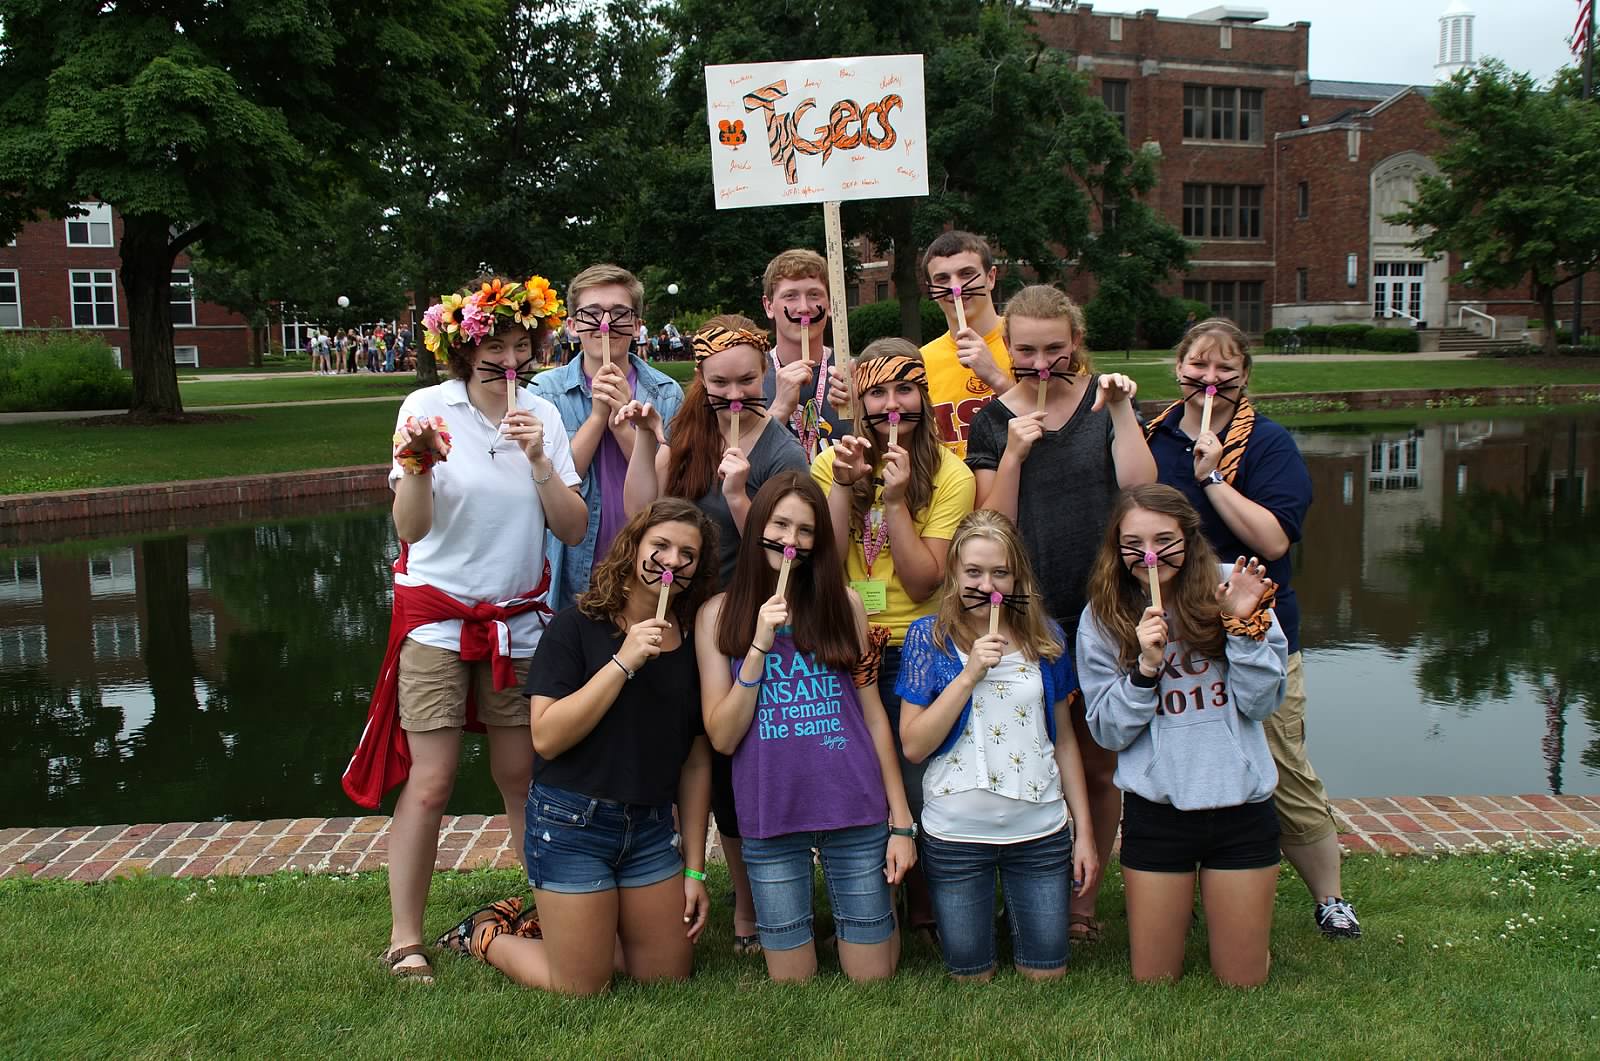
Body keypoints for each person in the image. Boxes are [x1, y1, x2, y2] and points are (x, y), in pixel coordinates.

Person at [347, 274, 588, 984]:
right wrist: (419, 465)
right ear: (463, 353)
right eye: (493, 356)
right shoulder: (427, 407)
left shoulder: (542, 412)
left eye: (522, 350)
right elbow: (411, 529)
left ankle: (549, 911)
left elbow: (572, 527)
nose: (509, 368)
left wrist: (541, 459)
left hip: (516, 623)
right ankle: (405, 937)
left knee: (522, 775)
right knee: (433, 780)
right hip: (437, 620)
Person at [436, 499, 718, 994]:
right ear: (633, 549)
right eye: (661, 546)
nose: (672, 561)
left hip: (650, 831)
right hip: (572, 825)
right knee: (582, 985)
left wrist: (694, 868)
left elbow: (695, 764)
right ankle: (482, 933)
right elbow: (545, 735)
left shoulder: (692, 641)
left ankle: (578, 926)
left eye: (687, 554)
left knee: (667, 975)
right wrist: (624, 662)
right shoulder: (576, 626)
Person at [1142, 318, 1360, 940]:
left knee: (1284, 764)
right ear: (1177, 368)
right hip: (1176, 639)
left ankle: (1329, 897)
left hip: (1256, 633)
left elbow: (1273, 538)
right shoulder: (1152, 440)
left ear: (1244, 377)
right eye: (1197, 368)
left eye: (1225, 371)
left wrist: (1212, 478)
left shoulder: (1267, 444)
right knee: (1173, 763)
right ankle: (1178, 889)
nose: (1210, 381)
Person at [964, 283, 1155, 945]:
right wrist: (1015, 450)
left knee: (1100, 764)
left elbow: (1140, 488)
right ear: (1006, 347)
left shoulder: (1104, 398)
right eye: (1025, 350)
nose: (1040, 363)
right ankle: (1022, 886)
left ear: (1074, 341)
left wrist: (1125, 412)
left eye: (1053, 348)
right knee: (1029, 753)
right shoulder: (990, 419)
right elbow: (992, 524)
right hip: (1026, 615)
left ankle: (1083, 900)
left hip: (1105, 609)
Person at [616, 314, 808, 953]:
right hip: (685, 616)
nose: (734, 396)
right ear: (700, 379)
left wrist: (739, 494)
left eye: (747, 382)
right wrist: (646, 442)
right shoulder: (686, 435)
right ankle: (697, 886)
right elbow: (642, 515)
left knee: (746, 760)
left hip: (751, 615)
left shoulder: (782, 448)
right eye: (720, 383)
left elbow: (788, 546)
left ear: (767, 374)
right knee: (700, 756)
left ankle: (755, 904)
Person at [697, 472, 917, 981]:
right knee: (792, 981)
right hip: (771, 809)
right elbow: (723, 737)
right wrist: (757, 647)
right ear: (757, 527)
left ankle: (872, 921)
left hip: (852, 803)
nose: (790, 541)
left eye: (805, 530)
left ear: (818, 541)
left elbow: (873, 716)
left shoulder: (847, 605)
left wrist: (900, 822)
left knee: (872, 976)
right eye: (780, 525)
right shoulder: (716, 616)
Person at [1078, 484, 1287, 986]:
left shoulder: (1230, 587)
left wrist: (1243, 628)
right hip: (1160, 810)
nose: (1149, 556)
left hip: (1240, 804)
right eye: (1133, 543)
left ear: (1190, 539)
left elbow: (1263, 703)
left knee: (1242, 981)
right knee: (1154, 981)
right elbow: (1107, 732)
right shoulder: (1103, 615)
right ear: (1116, 547)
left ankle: (1247, 943)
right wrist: (1145, 670)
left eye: (1164, 539)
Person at [810, 339, 976, 941]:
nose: (891, 405)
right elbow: (819, 563)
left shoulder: (952, 475)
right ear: (857, 397)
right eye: (876, 392)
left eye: (903, 388)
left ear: (923, 393)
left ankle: (928, 908)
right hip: (847, 642)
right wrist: (841, 487)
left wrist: (897, 499)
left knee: (918, 780)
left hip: (918, 645)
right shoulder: (832, 462)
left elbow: (924, 578)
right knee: (854, 776)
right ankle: (869, 909)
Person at [895, 510, 1100, 981]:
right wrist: (968, 676)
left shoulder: (1046, 637)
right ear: (954, 573)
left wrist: (1083, 831)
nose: (987, 584)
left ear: (1016, 575)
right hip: (957, 834)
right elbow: (912, 745)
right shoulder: (930, 639)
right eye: (973, 572)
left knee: (1046, 973)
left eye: (999, 572)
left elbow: (1064, 739)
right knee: (971, 974)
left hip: (1039, 830)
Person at [533, 264, 684, 612]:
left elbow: (668, 485)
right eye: (591, 314)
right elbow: (551, 481)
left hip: (644, 563)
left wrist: (621, 427)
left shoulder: (665, 392)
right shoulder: (546, 392)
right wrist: (599, 416)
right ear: (572, 326)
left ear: (636, 324)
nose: (606, 324)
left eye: (619, 314)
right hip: (572, 565)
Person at [917, 230, 1015, 458]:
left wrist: (996, 377)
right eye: (942, 279)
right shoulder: (921, 360)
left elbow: (1062, 425)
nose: (955, 287)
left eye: (966, 274)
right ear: (931, 289)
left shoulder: (1032, 344)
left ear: (990, 278)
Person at [759, 249, 852, 456]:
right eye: (790, 296)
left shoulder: (852, 372)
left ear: (829, 304)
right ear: (769, 306)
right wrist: (779, 409)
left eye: (814, 295)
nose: (804, 308)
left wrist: (863, 409)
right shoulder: (751, 379)